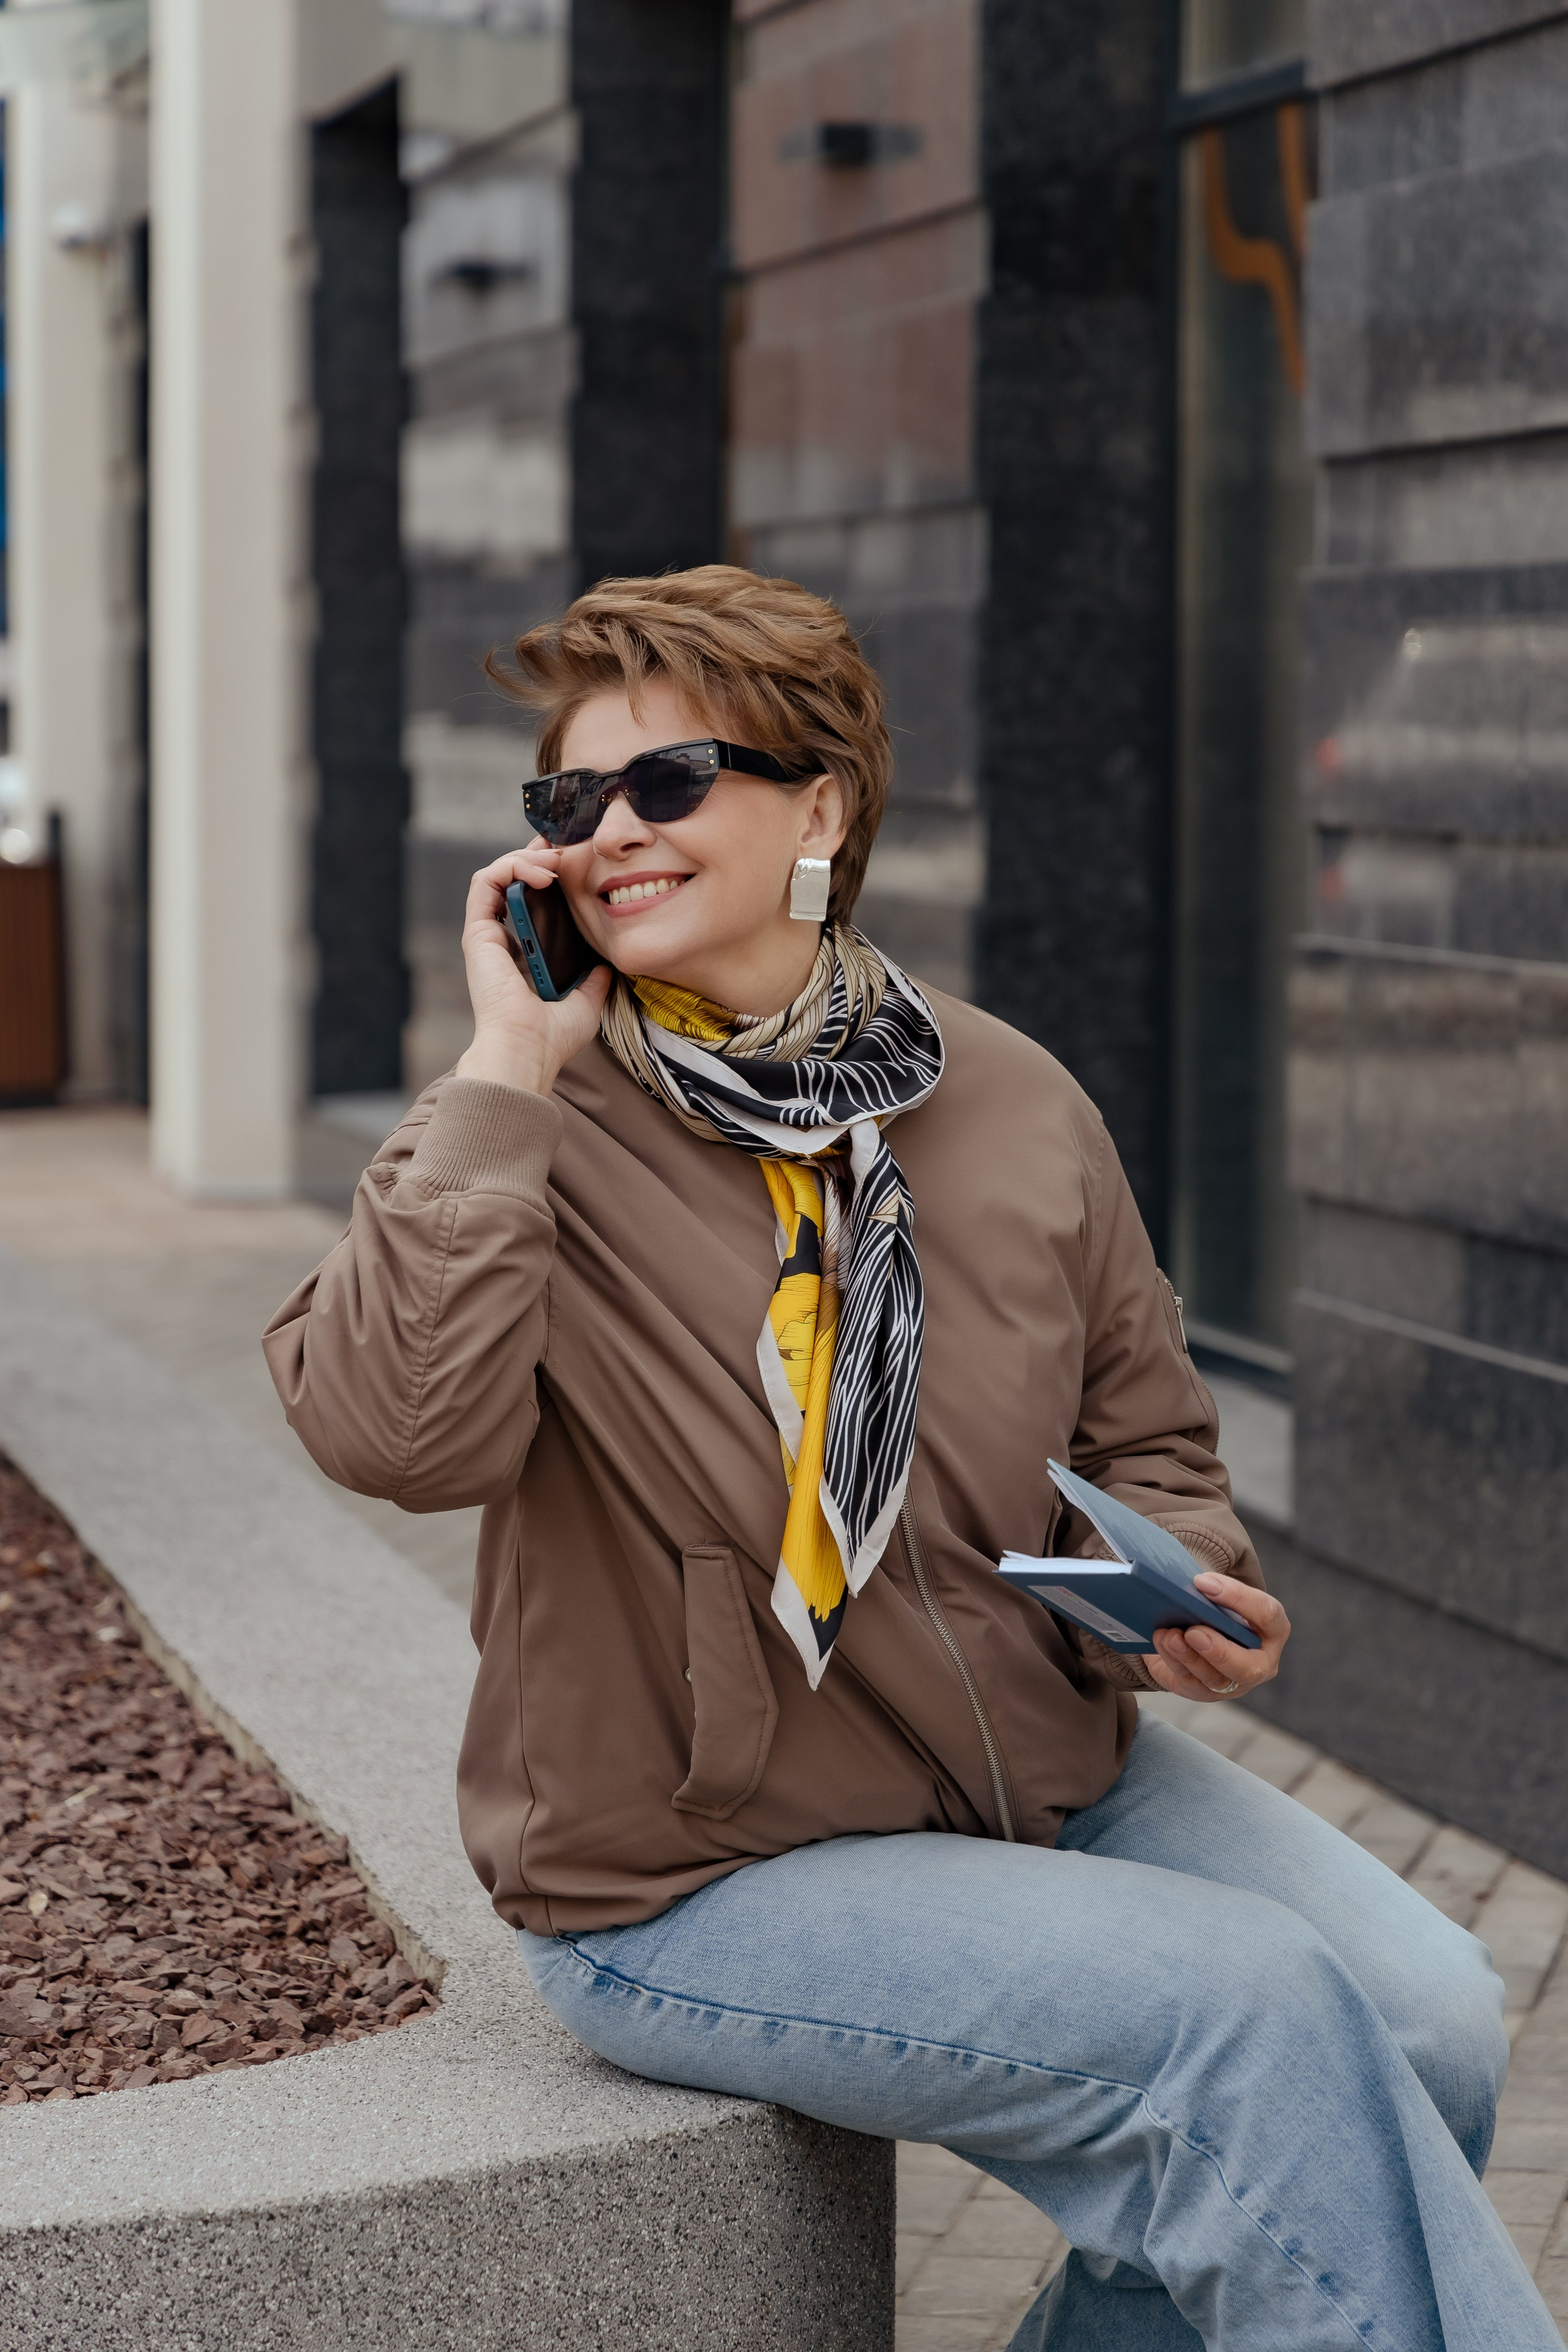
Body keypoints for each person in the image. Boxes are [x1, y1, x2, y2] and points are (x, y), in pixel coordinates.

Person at [265, 567, 1555, 2351]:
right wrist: (503, 1062)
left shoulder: (1011, 1098)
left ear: (823, 804)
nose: (610, 834)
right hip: (699, 1872)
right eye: (569, 802)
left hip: (1034, 1782)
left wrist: (1170, 1583)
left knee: (1429, 2014)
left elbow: (1147, 1424)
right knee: (1248, 2018)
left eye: (666, 783)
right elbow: (394, 1435)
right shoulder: (525, 1131)